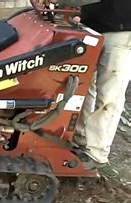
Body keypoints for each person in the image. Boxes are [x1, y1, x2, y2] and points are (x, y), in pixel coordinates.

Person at [41, 0, 130, 177]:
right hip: (90, 26)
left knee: (109, 95)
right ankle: (79, 138)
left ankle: (96, 152)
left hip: (121, 30)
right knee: (83, 87)